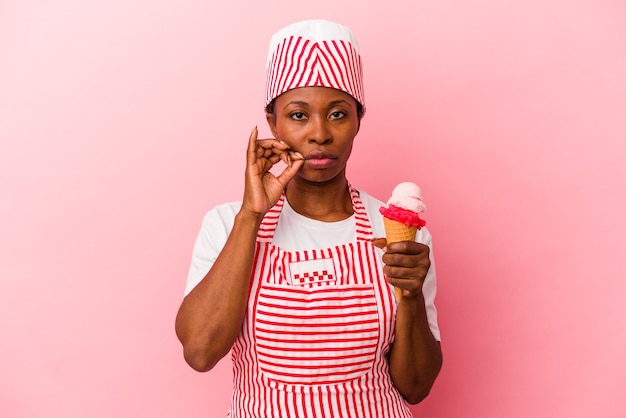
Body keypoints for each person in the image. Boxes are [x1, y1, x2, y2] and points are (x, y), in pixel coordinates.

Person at [175, 19, 442, 417]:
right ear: (273, 124)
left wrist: (411, 293)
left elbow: (416, 388)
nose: (320, 134)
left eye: (337, 114)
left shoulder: (396, 232)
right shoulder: (227, 223)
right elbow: (200, 351)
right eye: (299, 115)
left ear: (357, 122)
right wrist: (251, 215)